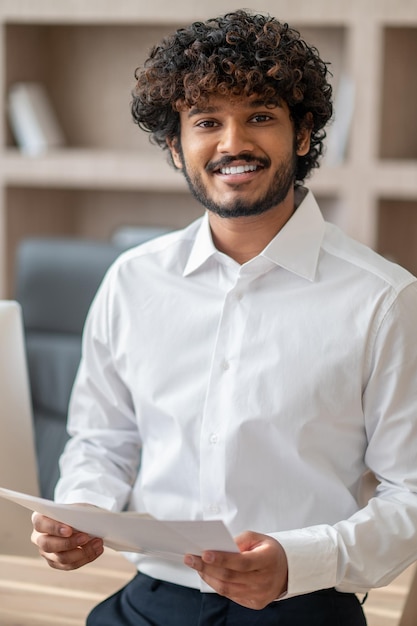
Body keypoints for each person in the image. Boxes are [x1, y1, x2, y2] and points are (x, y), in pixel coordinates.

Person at [31, 10, 417, 626]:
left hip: (302, 603)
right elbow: (103, 441)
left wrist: (300, 561)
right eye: (206, 122)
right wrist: (82, 511)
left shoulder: (384, 299)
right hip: (152, 597)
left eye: (259, 117)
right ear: (175, 147)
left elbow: (412, 493)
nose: (232, 143)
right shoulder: (132, 282)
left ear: (302, 133)